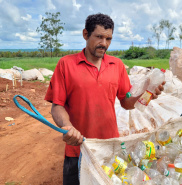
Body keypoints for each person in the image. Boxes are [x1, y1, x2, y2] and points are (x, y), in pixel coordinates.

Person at [45, 13, 165, 185]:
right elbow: (57, 106)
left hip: (109, 147)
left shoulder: (116, 65)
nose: (104, 44)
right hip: (78, 149)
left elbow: (126, 102)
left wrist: (148, 95)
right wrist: (68, 128)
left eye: (108, 38)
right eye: (99, 37)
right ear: (85, 34)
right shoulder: (66, 64)